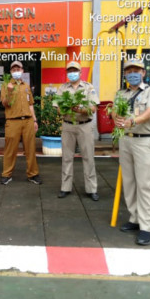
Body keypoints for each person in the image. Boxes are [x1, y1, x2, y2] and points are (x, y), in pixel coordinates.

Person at [114, 57, 150, 246]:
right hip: (126, 141)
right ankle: (134, 218)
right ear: (125, 74)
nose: (132, 73)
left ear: (143, 72)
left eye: (136, 70)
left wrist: (133, 121)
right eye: (129, 71)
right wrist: (116, 118)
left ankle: (146, 227)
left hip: (145, 142)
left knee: (145, 185)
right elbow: (114, 112)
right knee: (130, 182)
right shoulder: (121, 93)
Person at [55, 61, 99, 200]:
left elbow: (93, 108)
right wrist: (67, 108)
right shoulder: (62, 88)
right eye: (70, 71)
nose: (72, 73)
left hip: (84, 125)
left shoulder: (88, 87)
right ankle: (65, 187)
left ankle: (91, 189)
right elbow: (58, 108)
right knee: (67, 157)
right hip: (68, 125)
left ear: (80, 73)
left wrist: (80, 109)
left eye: (75, 70)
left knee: (88, 157)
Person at [0, 60, 40, 185]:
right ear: (10, 72)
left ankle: (33, 174)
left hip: (28, 121)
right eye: (14, 69)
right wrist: (10, 91)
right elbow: (4, 103)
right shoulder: (6, 85)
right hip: (12, 122)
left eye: (18, 69)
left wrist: (34, 120)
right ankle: (6, 174)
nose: (16, 71)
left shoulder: (26, 86)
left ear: (22, 71)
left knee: (30, 149)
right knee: (10, 150)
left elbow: (31, 104)